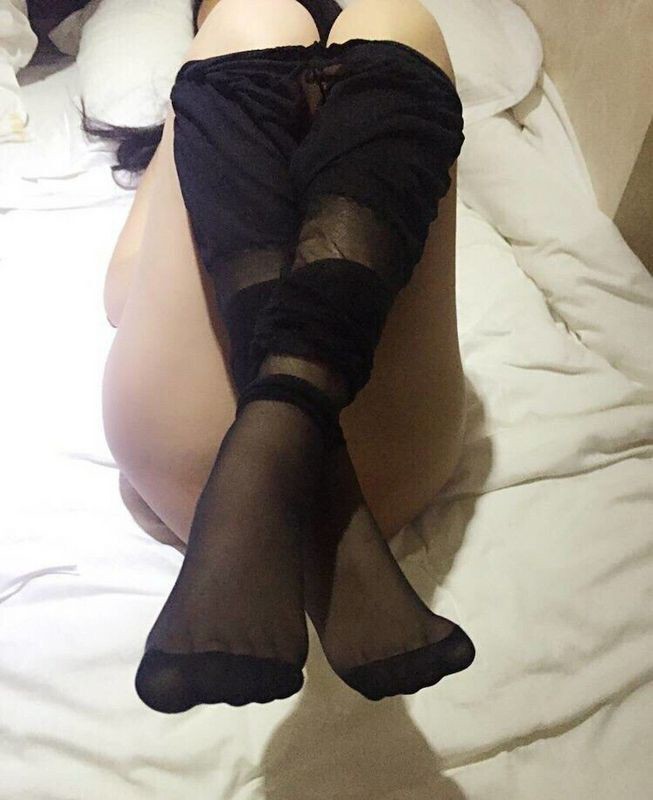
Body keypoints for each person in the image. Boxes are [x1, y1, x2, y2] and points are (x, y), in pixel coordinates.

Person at [90, 0, 475, 712]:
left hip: (199, 475)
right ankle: (300, 439)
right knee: (353, 20)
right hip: (385, 474)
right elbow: (118, 295)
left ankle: (269, 441)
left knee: (360, 18)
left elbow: (121, 298)